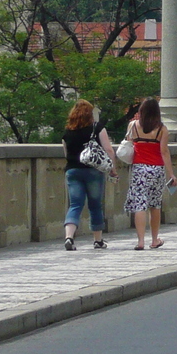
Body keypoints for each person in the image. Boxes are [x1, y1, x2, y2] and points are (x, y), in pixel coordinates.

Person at [61, 99, 117, 250]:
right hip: (93, 171)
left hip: (73, 170)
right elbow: (109, 149)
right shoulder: (97, 128)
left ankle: (69, 237)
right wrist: (113, 168)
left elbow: (66, 153)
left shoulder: (68, 131)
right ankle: (98, 240)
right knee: (94, 205)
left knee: (75, 205)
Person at [122, 98, 174, 250]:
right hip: (156, 169)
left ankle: (140, 241)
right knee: (154, 205)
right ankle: (154, 239)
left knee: (140, 204)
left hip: (139, 169)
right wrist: (171, 173)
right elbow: (164, 152)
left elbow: (128, 143)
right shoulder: (162, 129)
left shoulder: (133, 126)